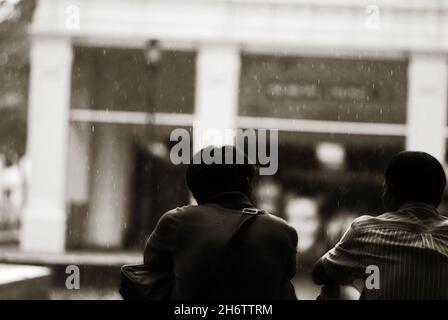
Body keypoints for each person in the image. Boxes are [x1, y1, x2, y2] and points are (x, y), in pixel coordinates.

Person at [144, 146, 298, 300]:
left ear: (193, 188)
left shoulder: (176, 222)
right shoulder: (283, 231)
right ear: (249, 183)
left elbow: (150, 270)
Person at [312, 151, 448, 299]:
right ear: (439, 196)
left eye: (384, 188)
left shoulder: (366, 229)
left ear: (391, 191)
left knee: (332, 283)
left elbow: (319, 274)